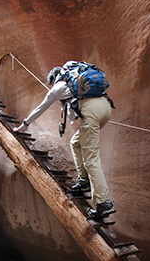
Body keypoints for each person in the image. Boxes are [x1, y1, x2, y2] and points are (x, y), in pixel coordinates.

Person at [15, 65, 115, 218]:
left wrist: (24, 125)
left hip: (92, 112)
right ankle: (84, 181)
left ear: (53, 80)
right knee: (76, 142)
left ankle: (104, 203)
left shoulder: (58, 88)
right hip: (104, 106)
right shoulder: (74, 75)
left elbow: (41, 108)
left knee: (91, 160)